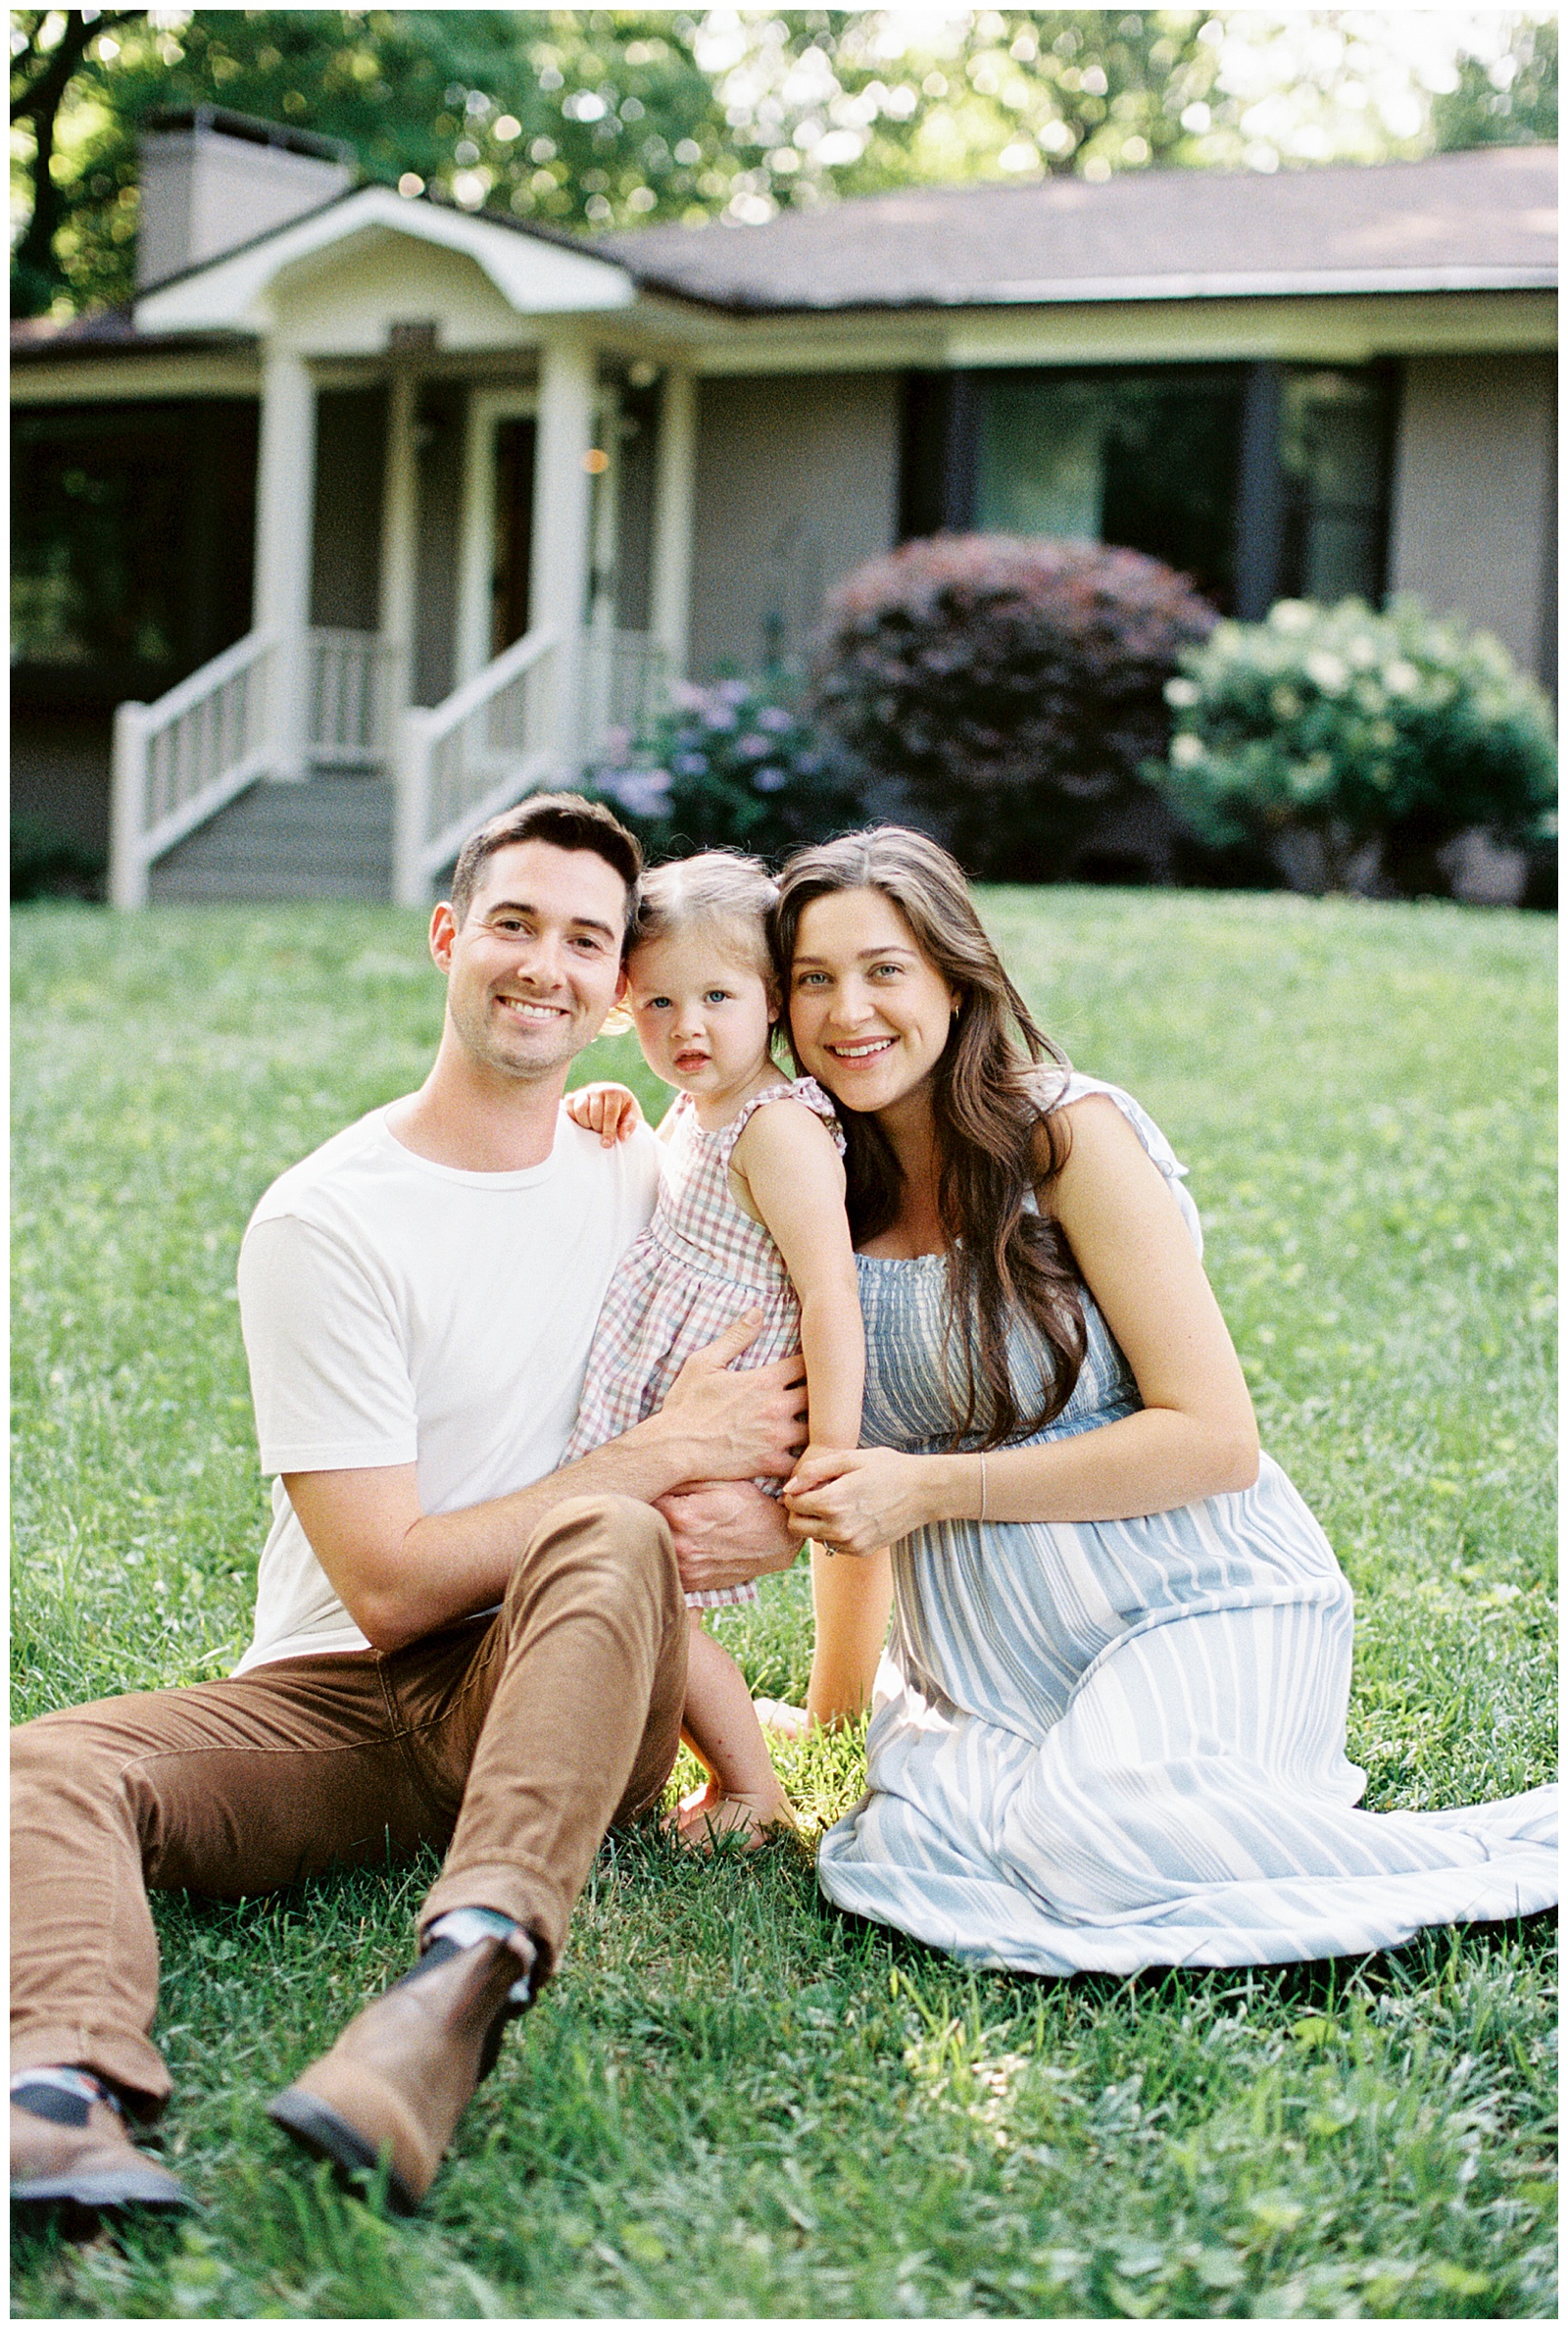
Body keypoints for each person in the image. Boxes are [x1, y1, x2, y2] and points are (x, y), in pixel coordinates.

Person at [10, 795, 806, 2226]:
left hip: (569, 1687)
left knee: (610, 1534)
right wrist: (661, 1451)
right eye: (513, 924)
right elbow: (383, 1588)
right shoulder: (331, 1218)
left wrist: (773, 1516)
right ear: (449, 938)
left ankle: (457, 1986)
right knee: (42, 1767)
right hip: (345, 1699)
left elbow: (812, 1368)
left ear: (617, 987)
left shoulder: (651, 1170)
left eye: (585, 939)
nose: (543, 966)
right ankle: (55, 2102)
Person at [770, 826, 1556, 1975]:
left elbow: (1214, 1442)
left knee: (1093, 1839)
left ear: (953, 976)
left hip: (1197, 1603)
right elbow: (856, 1492)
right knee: (920, 1846)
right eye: (812, 979)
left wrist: (930, 1487)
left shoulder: (1066, 1140)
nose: (850, 1011)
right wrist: (840, 1712)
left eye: (884, 968)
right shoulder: (811, 1190)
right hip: (989, 1671)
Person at [561, 852, 873, 1845]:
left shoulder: (775, 1130)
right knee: (643, 1595)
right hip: (679, 1405)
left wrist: (829, 1452)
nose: (684, 1027)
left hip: (737, 1418)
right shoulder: (698, 1105)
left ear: (773, 1000)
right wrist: (607, 1115)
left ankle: (747, 1789)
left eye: (716, 997)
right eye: (655, 1003)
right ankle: (688, 1756)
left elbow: (831, 1294)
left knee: (660, 1602)